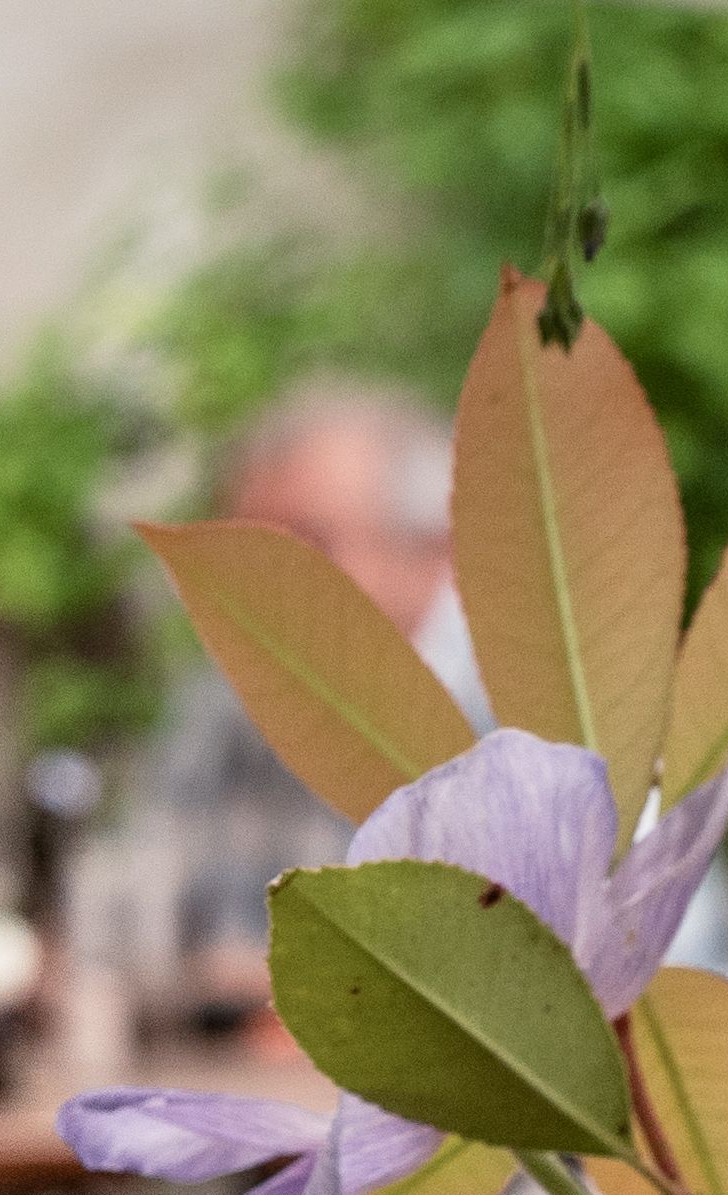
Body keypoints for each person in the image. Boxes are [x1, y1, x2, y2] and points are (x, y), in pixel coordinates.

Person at [141, 381, 481, 1028]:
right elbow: (142, 929)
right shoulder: (222, 706)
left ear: (434, 556)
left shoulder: (542, 713)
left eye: (309, 543)